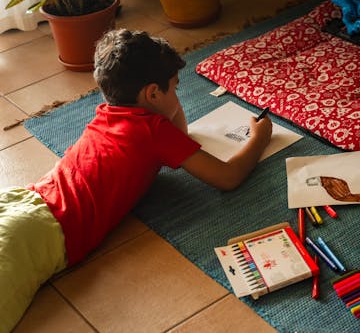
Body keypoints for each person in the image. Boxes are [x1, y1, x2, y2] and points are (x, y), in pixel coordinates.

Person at [0, 28, 272, 332]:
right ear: (153, 94)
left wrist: (165, 98)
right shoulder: (153, 131)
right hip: (44, 233)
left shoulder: (108, 112)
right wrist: (260, 138)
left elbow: (179, 134)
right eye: (174, 87)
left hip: (26, 202)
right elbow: (228, 177)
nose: (177, 94)